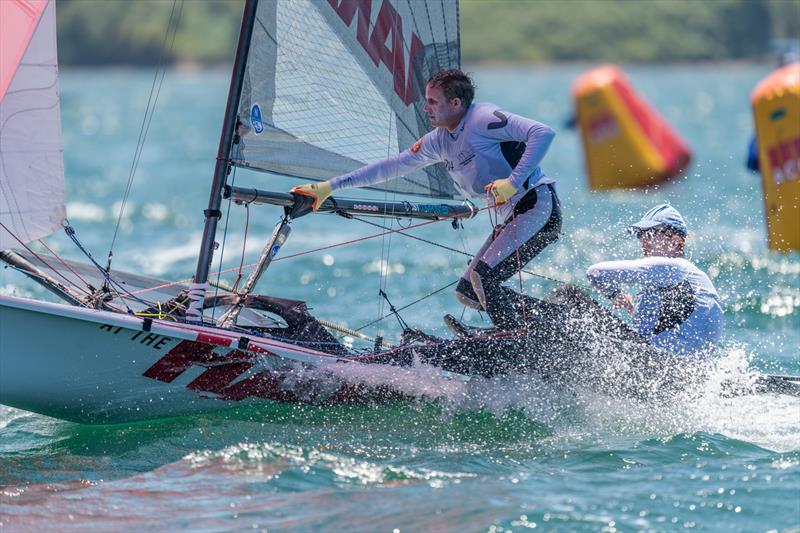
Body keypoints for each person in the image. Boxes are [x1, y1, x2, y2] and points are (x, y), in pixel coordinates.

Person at [291, 69, 561, 330]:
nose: (426, 108)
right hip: (514, 215)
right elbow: (392, 166)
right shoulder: (440, 139)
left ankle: (518, 340)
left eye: (433, 101)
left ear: (455, 103)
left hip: (537, 206)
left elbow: (542, 132)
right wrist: (330, 186)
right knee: (468, 291)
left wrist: (512, 183)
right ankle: (552, 322)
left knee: (483, 279)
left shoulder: (482, 118)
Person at [586, 204, 724, 356]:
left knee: (568, 296)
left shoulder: (675, 268)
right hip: (681, 369)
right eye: (640, 235)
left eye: (650, 234)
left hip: (656, 365)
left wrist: (614, 295)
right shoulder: (688, 279)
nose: (643, 241)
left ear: (676, 242)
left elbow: (595, 272)